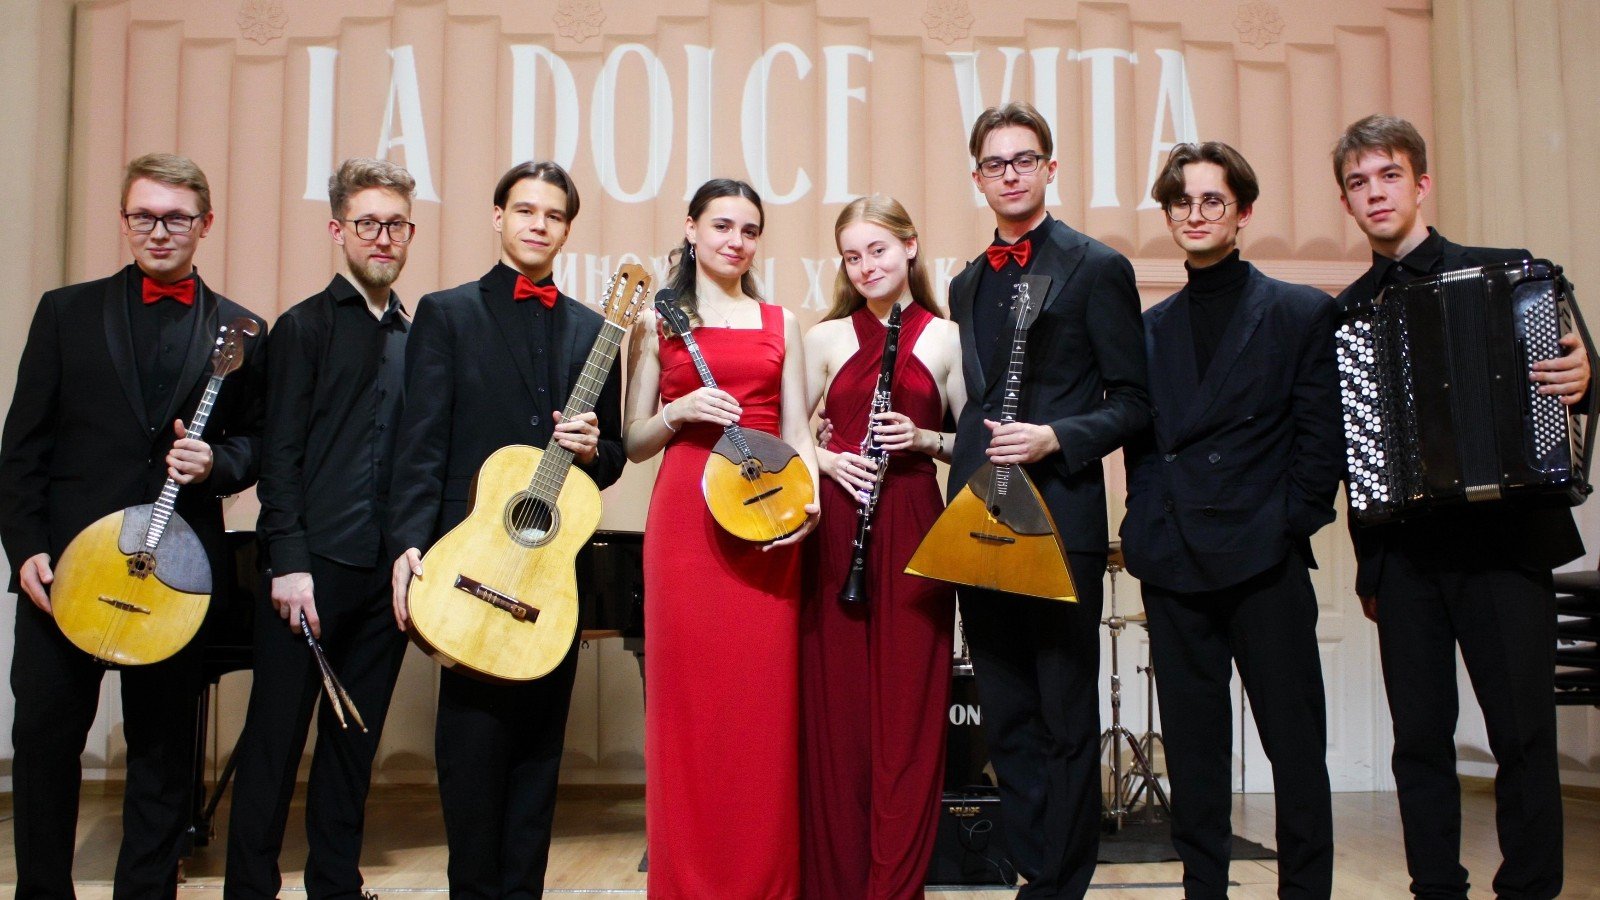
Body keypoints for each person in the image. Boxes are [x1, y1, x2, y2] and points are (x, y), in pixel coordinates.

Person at [1332, 114, 1590, 900]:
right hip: (1407, 558)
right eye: (1358, 183)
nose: (1375, 193)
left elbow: (1575, 372)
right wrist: (1371, 571)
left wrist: (1588, 379)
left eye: (1389, 176)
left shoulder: (1513, 276)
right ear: (1346, 202)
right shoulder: (1347, 315)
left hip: (1506, 546)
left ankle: (1531, 888)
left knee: (1523, 734)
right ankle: (1434, 887)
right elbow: (1353, 458)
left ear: (1421, 183)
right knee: (1419, 741)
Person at [0, 153, 267, 898]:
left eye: (176, 217)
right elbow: (21, 448)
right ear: (124, 220)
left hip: (176, 573)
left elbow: (259, 444)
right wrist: (26, 549)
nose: (159, 231)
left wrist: (215, 461)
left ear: (205, 224)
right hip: (65, 571)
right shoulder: (65, 313)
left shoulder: (243, 328)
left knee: (163, 752)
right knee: (45, 744)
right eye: (143, 215)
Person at [386, 160, 625, 897]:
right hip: (470, 566)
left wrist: (595, 450)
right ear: (499, 217)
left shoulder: (596, 329)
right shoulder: (447, 313)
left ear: (567, 229)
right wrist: (408, 544)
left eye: (553, 215)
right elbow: (420, 443)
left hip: (549, 576)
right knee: (471, 754)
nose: (537, 225)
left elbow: (613, 456)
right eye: (525, 210)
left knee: (539, 761)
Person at [1120, 141, 1340, 899]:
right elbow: (1143, 446)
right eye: (1181, 202)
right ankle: (1203, 890)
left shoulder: (1298, 311)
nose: (1195, 214)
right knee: (1194, 751)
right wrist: (1144, 524)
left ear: (1243, 212)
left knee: (1295, 747)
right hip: (1175, 561)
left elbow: (1321, 442)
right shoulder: (1150, 328)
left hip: (1263, 560)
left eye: (1212, 200)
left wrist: (1285, 524)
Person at [945, 101, 1150, 898]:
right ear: (977, 177)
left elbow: (1133, 403)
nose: (1010, 174)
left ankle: (1064, 884)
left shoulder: (1097, 267)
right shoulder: (966, 282)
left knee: (1064, 716)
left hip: (1062, 517)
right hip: (980, 521)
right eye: (995, 163)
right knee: (1007, 718)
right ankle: (1036, 874)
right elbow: (974, 405)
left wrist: (1055, 437)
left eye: (1024, 159)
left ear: (1050, 168)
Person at [225, 157, 417, 899]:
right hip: (310, 568)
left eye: (395, 225)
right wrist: (289, 562)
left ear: (409, 234)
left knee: (352, 744)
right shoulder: (302, 328)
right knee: (274, 742)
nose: (382, 238)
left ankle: (335, 884)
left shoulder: (415, 335)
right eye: (367, 223)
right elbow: (280, 459)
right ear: (339, 231)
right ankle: (250, 889)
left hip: (383, 575)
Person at [622, 178, 819, 899]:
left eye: (749, 230)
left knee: (761, 710)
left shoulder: (781, 321)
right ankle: (687, 883)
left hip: (764, 520)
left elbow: (796, 432)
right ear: (692, 229)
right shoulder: (659, 321)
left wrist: (808, 507)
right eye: (722, 226)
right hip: (685, 523)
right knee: (687, 709)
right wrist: (679, 412)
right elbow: (633, 441)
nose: (736, 241)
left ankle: (764, 882)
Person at [798, 195, 964, 899]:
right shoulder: (824, 338)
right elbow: (786, 434)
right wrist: (828, 461)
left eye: (878, 250)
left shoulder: (948, 338)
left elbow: (974, 444)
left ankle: (894, 889)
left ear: (910, 247)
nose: (866, 266)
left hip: (916, 525)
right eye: (852, 256)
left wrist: (924, 439)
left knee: (909, 720)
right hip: (838, 527)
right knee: (837, 720)